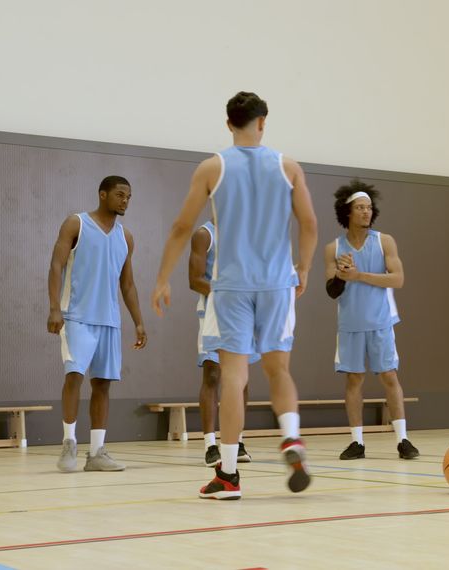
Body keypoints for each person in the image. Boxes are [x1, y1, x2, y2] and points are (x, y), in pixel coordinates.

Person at [152, 92, 319, 499]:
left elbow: (180, 227)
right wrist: (304, 268)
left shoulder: (213, 167)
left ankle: (227, 476)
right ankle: (292, 439)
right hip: (277, 283)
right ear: (263, 123)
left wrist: (161, 279)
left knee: (233, 376)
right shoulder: (289, 167)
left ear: (229, 124)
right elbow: (310, 224)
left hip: (231, 286)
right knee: (279, 370)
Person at [47, 175, 147, 473]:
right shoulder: (75, 224)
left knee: (102, 384)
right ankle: (68, 443)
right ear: (103, 195)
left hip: (109, 321)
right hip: (76, 316)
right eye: (120, 195)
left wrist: (139, 322)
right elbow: (56, 265)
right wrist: (54, 308)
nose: (125, 200)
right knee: (74, 377)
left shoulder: (125, 237)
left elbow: (127, 285)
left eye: (128, 196)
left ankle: (97, 452)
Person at [324, 180, 419, 460]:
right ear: (348, 212)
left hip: (381, 322)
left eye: (368, 207)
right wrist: (342, 275)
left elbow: (398, 279)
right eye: (360, 208)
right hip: (350, 325)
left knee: (389, 376)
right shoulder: (334, 249)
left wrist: (359, 275)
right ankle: (357, 442)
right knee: (354, 380)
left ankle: (403, 440)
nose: (366, 212)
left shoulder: (384, 241)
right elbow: (331, 290)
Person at [189, 221, 259, 467]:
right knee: (212, 375)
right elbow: (195, 280)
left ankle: (236, 440)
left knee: (241, 379)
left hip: (243, 315)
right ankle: (210, 445)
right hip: (213, 314)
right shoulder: (204, 234)